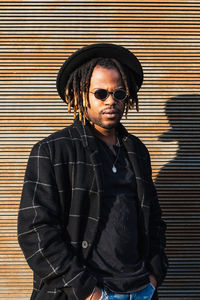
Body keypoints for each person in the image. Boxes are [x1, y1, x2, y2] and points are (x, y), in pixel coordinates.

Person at [18, 43, 168, 300]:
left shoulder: (137, 151)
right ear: (80, 94)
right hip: (86, 293)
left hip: (140, 289)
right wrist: (88, 292)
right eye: (100, 93)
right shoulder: (53, 151)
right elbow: (35, 231)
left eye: (118, 94)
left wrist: (154, 275)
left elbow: (153, 220)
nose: (110, 101)